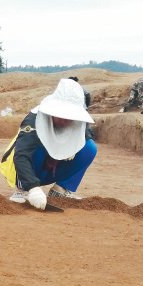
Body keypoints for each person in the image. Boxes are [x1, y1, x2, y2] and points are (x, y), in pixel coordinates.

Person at [7, 78, 97, 209]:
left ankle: (61, 190)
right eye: (61, 115)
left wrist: (60, 154)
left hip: (51, 169)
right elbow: (21, 155)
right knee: (33, 147)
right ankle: (24, 189)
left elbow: (86, 137)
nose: (65, 121)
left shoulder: (78, 122)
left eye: (70, 116)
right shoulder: (34, 119)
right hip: (24, 168)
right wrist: (33, 189)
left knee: (89, 148)